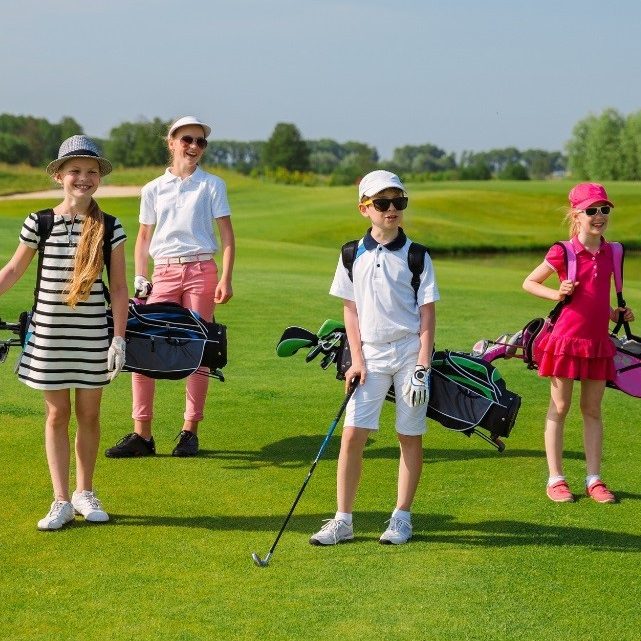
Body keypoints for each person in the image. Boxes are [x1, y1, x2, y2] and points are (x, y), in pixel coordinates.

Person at [0, 135, 128, 530]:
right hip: (50, 335)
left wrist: (118, 338)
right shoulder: (39, 221)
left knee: (89, 414)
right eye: (75, 171)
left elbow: (120, 288)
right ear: (59, 175)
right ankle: (60, 499)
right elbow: (14, 270)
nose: (83, 178)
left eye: (91, 172)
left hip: (92, 336)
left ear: (98, 178)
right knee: (57, 414)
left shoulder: (110, 225)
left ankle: (84, 492)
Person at [310, 170, 438, 546]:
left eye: (399, 202)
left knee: (408, 435)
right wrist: (356, 359)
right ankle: (343, 520)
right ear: (364, 208)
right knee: (353, 435)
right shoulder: (352, 253)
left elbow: (427, 315)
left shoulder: (417, 255)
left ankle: (401, 517)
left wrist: (422, 367)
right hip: (369, 356)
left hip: (409, 353)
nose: (392, 209)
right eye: (382, 203)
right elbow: (350, 309)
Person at [105, 116, 235, 458]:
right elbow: (144, 237)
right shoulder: (152, 188)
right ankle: (142, 434)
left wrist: (226, 277)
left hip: (201, 270)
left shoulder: (212, 185)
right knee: (144, 344)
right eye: (187, 140)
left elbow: (227, 238)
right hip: (162, 272)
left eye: (201, 142)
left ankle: (189, 430)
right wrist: (140, 275)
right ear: (172, 142)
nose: (194, 147)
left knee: (199, 348)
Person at [523, 182, 634, 504]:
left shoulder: (614, 252)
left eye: (604, 209)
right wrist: (557, 293)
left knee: (592, 410)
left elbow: (598, 300)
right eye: (591, 211)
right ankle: (556, 479)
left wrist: (617, 314)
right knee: (559, 408)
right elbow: (529, 282)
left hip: (598, 342)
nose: (599, 216)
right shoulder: (564, 251)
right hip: (565, 343)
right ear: (576, 214)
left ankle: (594, 479)